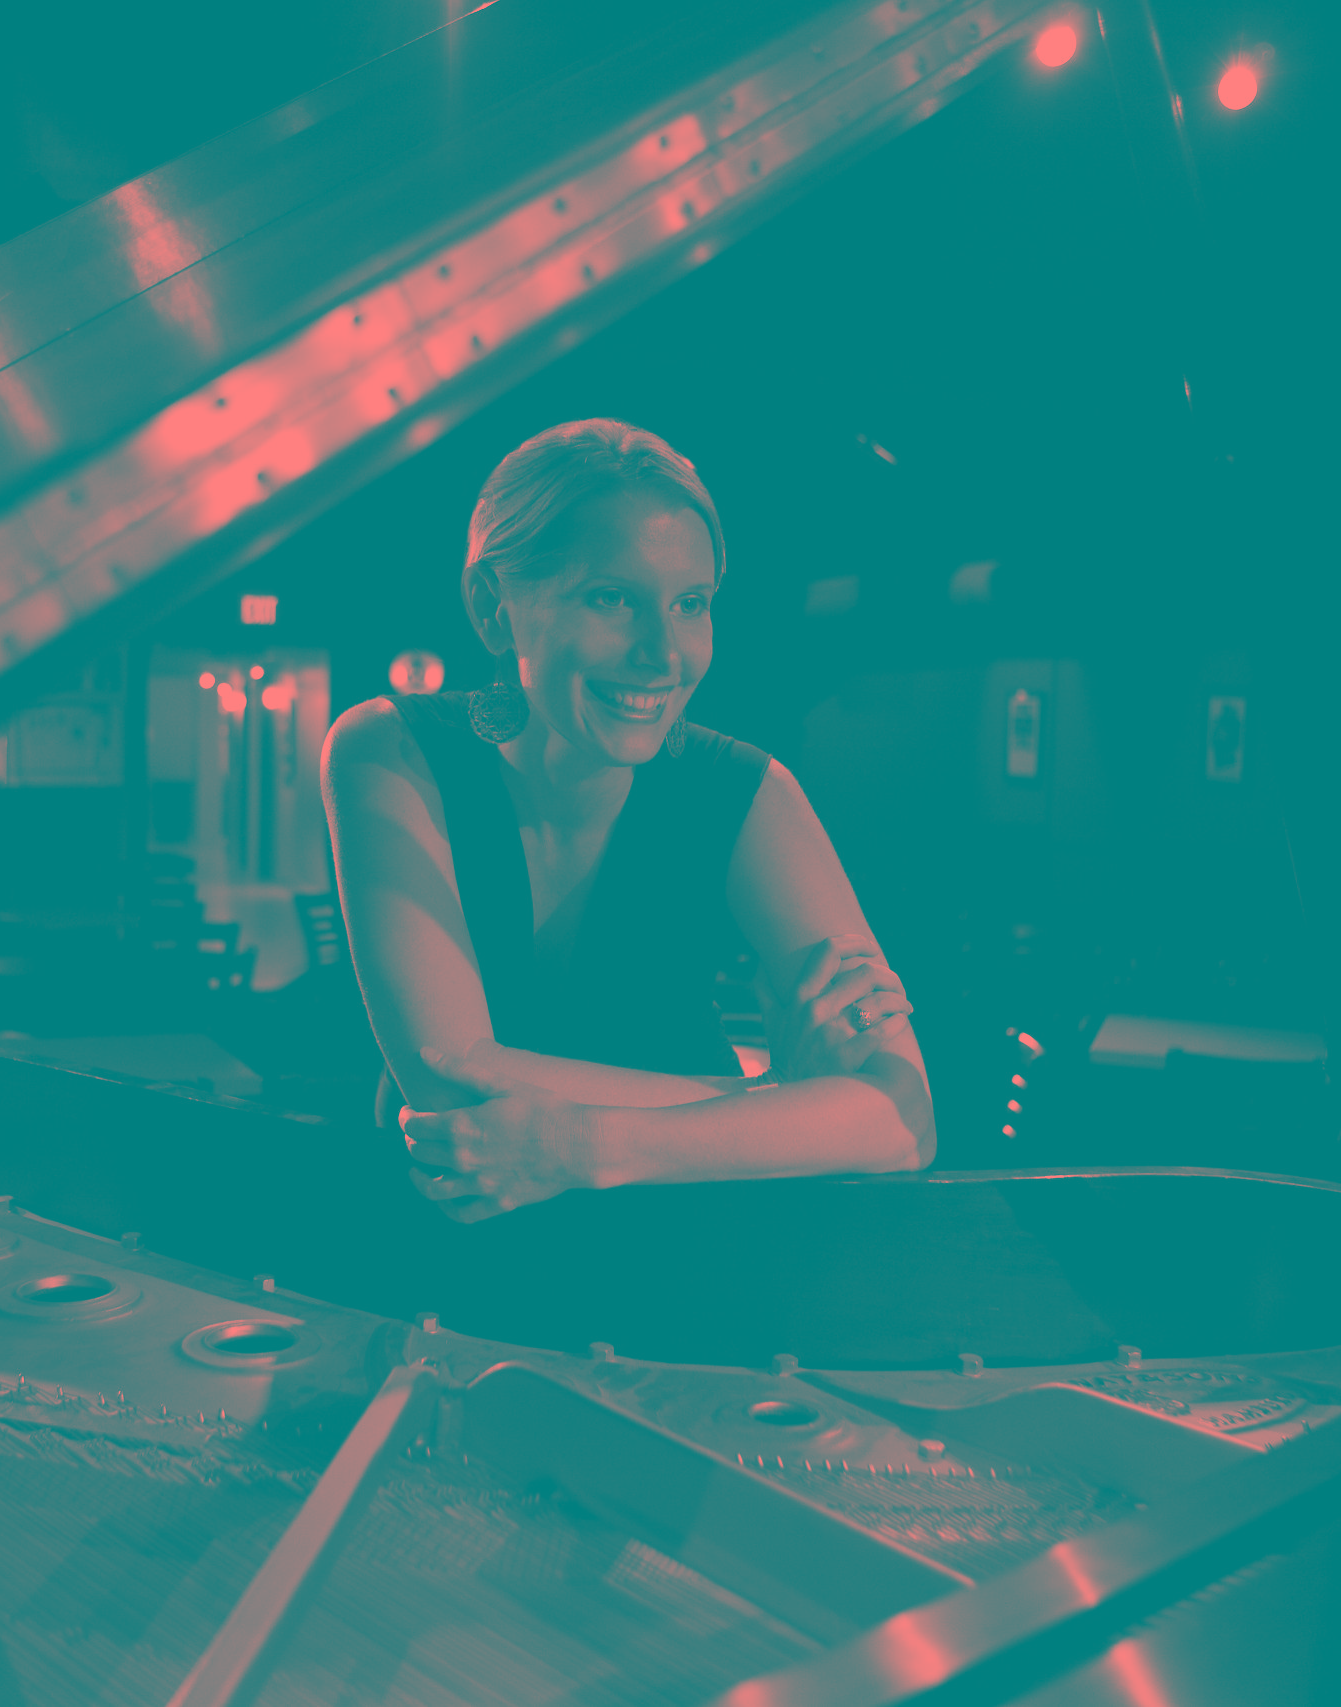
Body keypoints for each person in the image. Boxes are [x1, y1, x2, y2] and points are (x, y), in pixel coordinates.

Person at [321, 418, 933, 1224]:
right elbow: (451, 1083)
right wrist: (777, 1102)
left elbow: (903, 1118)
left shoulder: (751, 791)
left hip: (693, 1252)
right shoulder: (389, 749)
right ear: (493, 608)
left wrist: (581, 1146)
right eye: (610, 598)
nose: (663, 653)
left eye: (691, 604)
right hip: (446, 1250)